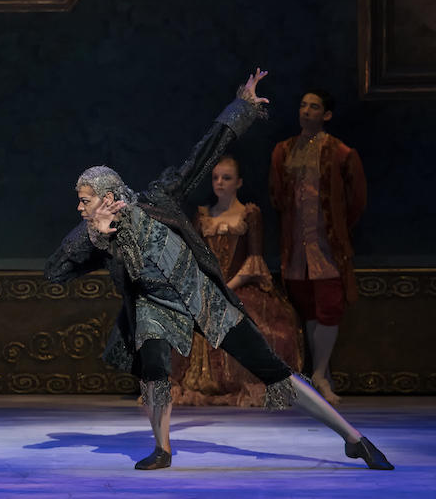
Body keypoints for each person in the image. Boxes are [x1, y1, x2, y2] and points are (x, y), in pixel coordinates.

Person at [45, 70, 392, 471]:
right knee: (154, 365)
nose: (79, 207)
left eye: (85, 200)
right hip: (157, 308)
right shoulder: (96, 233)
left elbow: (204, 153)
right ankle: (162, 448)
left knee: (272, 370)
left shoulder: (157, 199)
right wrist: (93, 234)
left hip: (202, 295)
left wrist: (241, 107)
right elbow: (55, 271)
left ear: (107, 196)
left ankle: (353, 438)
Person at [171, 156, 303, 407]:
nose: (220, 182)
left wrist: (226, 289)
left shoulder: (249, 214)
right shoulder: (202, 217)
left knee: (254, 325)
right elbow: (195, 258)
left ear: (239, 182)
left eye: (226, 178)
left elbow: (253, 261)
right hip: (208, 288)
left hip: (240, 288)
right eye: (216, 177)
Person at [269, 88, 366, 406]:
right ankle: (317, 372)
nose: (305, 111)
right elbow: (277, 196)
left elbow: (356, 199)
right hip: (296, 248)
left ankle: (321, 373)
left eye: (313, 107)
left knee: (329, 309)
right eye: (302, 105)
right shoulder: (283, 151)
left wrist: (337, 229)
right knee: (308, 308)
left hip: (326, 247)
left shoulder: (341, 153)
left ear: (326, 115)